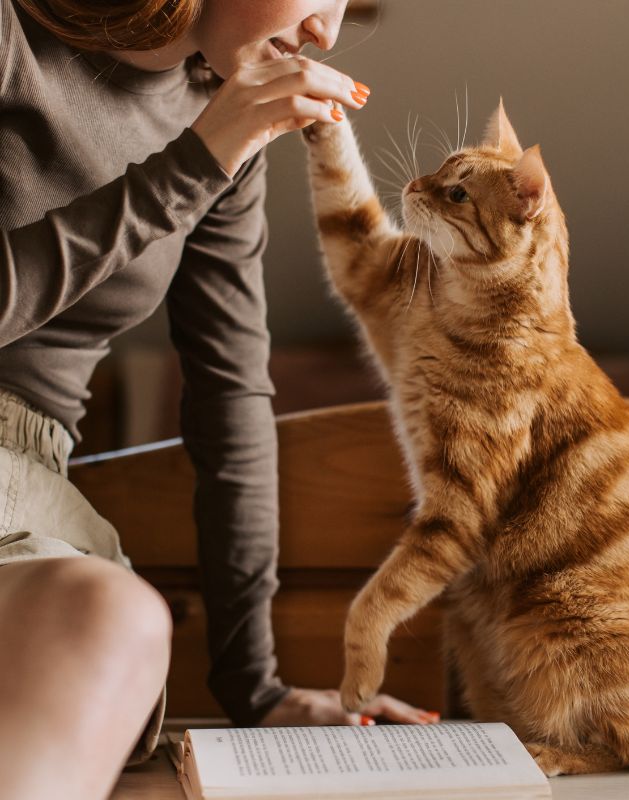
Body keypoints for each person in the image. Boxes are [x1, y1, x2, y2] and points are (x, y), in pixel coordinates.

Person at [0, 1, 435, 798]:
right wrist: (191, 168)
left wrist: (255, 688)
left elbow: (231, 400)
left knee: (112, 629)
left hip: (27, 502)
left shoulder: (221, 121)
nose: (327, 33)